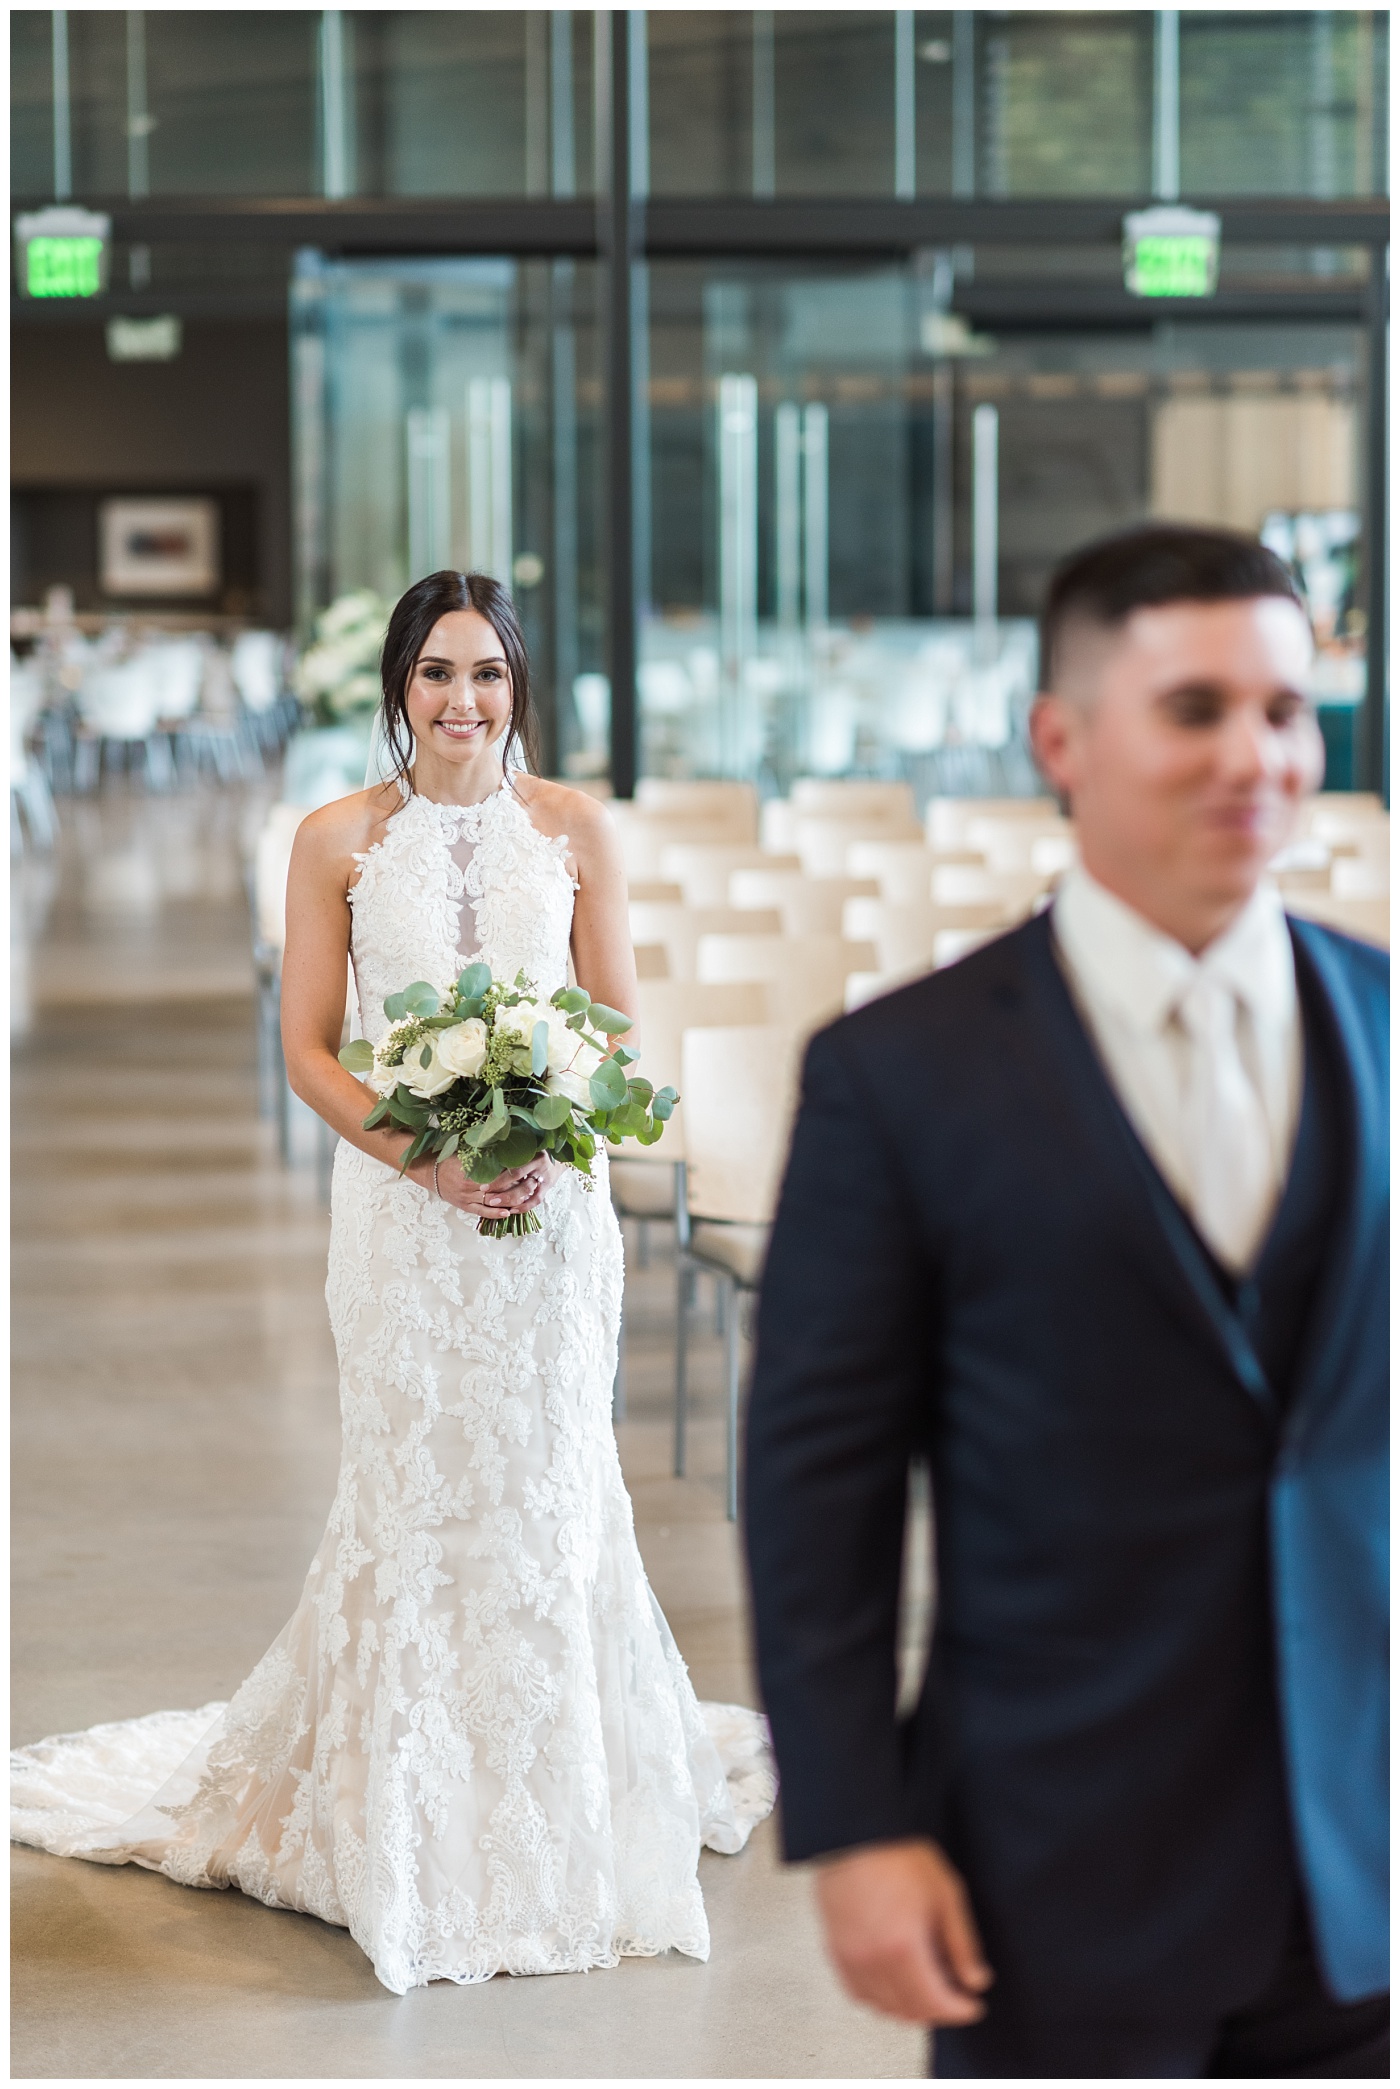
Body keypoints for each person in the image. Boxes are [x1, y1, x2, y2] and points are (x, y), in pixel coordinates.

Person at [12, 569, 773, 1994]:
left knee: (550, 1488)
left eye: (488, 673)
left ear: (520, 688)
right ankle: (415, 1830)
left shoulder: (575, 831)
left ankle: (565, 1816)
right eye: (437, 672)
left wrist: (554, 1117)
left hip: (554, 1223)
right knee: (415, 1495)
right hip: (401, 1220)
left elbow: (612, 1026)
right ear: (396, 685)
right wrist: (428, 1160)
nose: (463, 701)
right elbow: (311, 1047)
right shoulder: (335, 843)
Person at [744, 524, 1387, 2078]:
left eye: (1287, 710)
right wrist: (857, 1825)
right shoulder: (899, 1075)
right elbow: (816, 1489)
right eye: (1195, 708)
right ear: (1062, 739)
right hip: (1055, 1859)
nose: (1257, 754)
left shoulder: (1385, 1017)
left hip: (1364, 1847)